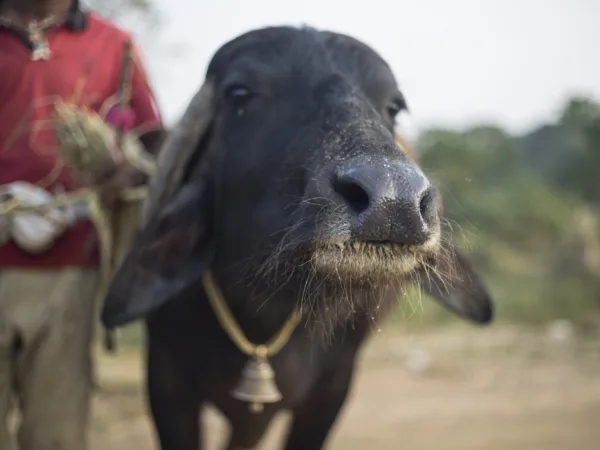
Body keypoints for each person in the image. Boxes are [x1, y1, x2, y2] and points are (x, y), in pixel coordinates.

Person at [0, 0, 164, 449]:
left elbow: (151, 144)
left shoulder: (115, 45)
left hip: (70, 271)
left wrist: (124, 172)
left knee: (56, 432)